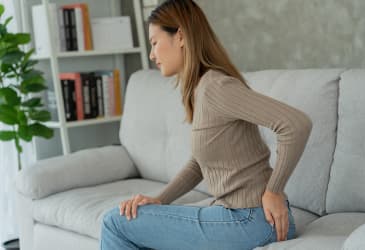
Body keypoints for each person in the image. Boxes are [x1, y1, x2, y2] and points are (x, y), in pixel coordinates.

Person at [100, 0, 312, 249]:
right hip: (245, 218)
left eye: (155, 43)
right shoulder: (201, 90)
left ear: (180, 36)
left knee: (115, 222)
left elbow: (296, 124)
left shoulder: (216, 87)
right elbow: (199, 163)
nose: (152, 54)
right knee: (131, 227)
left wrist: (274, 191)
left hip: (252, 219)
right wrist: (160, 199)